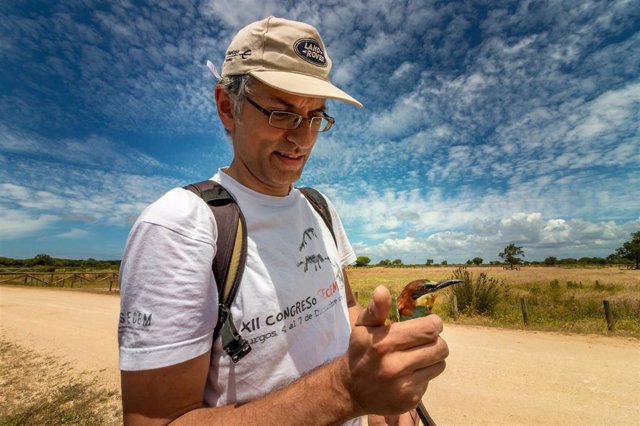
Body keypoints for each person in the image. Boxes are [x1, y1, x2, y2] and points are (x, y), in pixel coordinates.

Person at [118, 16, 448, 426]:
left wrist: (382, 403)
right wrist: (346, 391)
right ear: (227, 107)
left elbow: (341, 307)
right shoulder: (178, 228)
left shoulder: (319, 207)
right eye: (282, 112)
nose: (303, 138)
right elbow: (156, 421)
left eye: (315, 117)